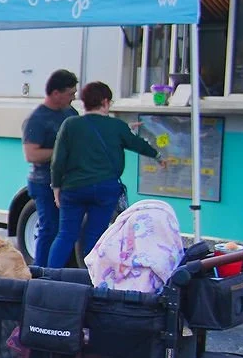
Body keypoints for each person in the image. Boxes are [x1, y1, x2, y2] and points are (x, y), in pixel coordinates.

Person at [48, 81, 160, 267]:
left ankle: (48, 277)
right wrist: (158, 156)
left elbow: (58, 161)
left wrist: (56, 188)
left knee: (66, 235)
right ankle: (91, 281)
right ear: (106, 102)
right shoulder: (117, 126)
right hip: (105, 189)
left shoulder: (70, 124)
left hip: (73, 189)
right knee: (95, 237)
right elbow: (137, 144)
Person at [22, 70, 80, 269]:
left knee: (67, 231)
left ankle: (58, 273)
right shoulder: (37, 119)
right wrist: (61, 150)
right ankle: (40, 272)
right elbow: (32, 154)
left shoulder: (71, 113)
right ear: (56, 93)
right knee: (49, 228)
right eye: (70, 93)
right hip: (43, 182)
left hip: (69, 182)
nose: (74, 97)